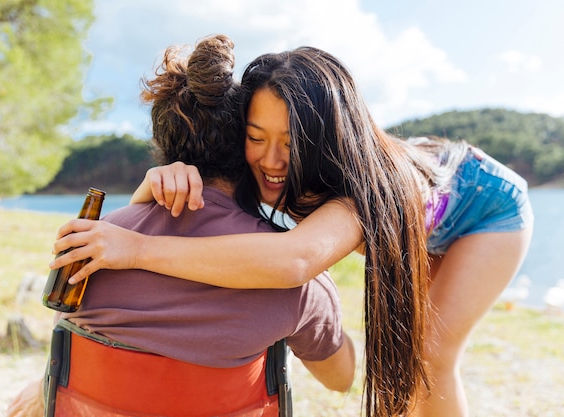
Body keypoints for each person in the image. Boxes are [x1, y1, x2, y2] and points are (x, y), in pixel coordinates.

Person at [51, 46, 533, 417]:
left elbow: (293, 261)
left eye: (291, 143)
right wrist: (154, 186)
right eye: (255, 137)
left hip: (485, 209)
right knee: (410, 362)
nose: (271, 160)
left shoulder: (355, 195)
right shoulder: (266, 171)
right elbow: (221, 208)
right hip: (423, 210)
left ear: (323, 140)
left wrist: (136, 247)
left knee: (430, 354)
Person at [8, 36, 355, 417]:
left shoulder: (95, 246)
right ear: (242, 143)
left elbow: (65, 342)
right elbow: (340, 379)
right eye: (257, 137)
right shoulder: (296, 284)